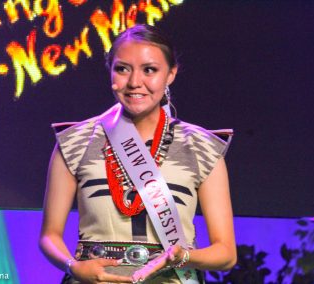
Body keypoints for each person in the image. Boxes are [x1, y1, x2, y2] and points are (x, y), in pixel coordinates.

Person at [39, 24, 236, 284]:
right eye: (122, 69)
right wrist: (73, 267)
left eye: (150, 70)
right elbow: (49, 236)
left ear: (171, 74)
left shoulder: (201, 146)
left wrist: (182, 256)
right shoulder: (75, 141)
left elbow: (226, 254)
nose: (134, 82)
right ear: (110, 70)